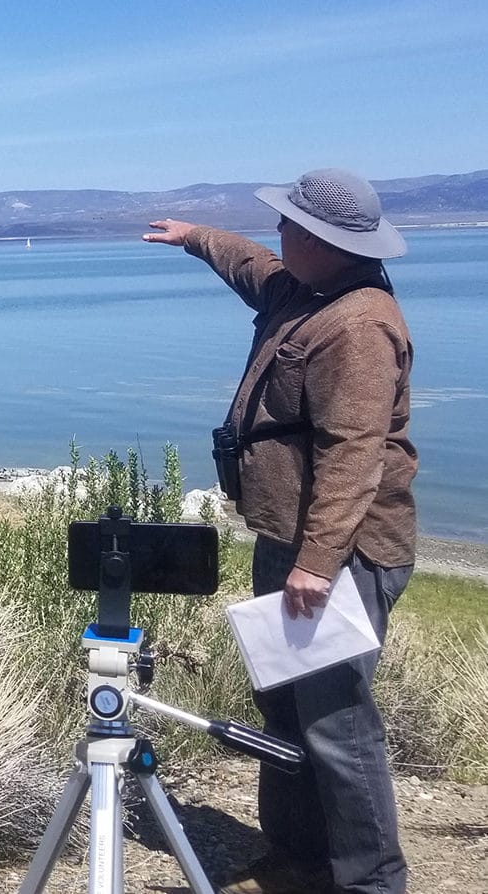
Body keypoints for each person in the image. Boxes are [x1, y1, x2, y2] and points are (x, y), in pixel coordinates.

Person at [144, 168, 417, 894]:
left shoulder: (356, 325)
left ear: (327, 241)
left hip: (340, 554)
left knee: (335, 725)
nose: (279, 234)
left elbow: (352, 455)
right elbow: (251, 265)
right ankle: (300, 857)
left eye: (292, 226)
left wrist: (317, 563)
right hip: (288, 540)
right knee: (285, 710)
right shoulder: (303, 289)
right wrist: (195, 238)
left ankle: (370, 881)